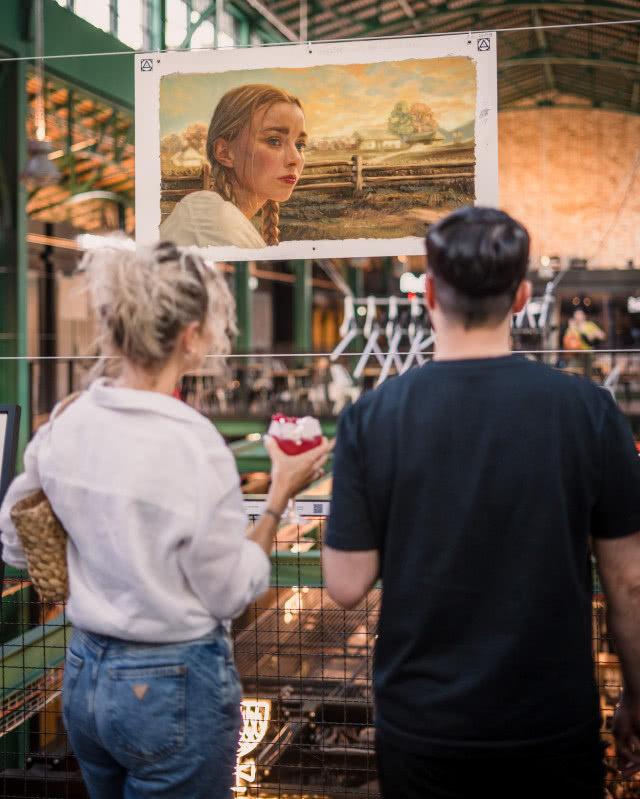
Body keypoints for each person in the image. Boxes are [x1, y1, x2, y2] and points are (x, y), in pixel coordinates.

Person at [322, 206, 640, 799]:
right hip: (551, 725)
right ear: (521, 296)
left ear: (430, 294)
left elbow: (345, 584)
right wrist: (636, 701)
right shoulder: (590, 413)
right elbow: (629, 584)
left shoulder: (372, 418)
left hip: (422, 729)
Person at [0, 241, 330, 799]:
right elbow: (229, 590)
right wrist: (280, 491)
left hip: (84, 675)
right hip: (170, 683)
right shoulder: (192, 443)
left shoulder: (66, 421)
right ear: (190, 335)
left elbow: (14, 544)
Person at [160, 84, 306, 249]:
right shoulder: (215, 221)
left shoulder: (209, 212)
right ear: (224, 152)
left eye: (300, 145)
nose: (295, 158)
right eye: (274, 141)